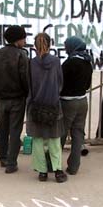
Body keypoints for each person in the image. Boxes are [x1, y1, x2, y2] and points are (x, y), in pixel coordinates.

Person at [0, 25, 29, 173]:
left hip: (1, 99)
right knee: (15, 131)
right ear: (18, 39)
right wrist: (26, 93)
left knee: (2, 129)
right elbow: (25, 78)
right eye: (24, 38)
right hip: (17, 98)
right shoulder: (21, 55)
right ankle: (11, 163)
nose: (25, 41)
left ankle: (3, 158)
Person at [27, 32, 66, 183]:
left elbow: (29, 84)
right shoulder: (56, 61)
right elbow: (60, 83)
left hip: (36, 105)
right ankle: (57, 170)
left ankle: (42, 172)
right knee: (54, 139)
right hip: (53, 105)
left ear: (35, 46)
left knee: (38, 139)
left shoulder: (31, 63)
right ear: (50, 45)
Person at [59, 36, 93, 175]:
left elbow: (60, 83)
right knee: (78, 134)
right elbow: (87, 85)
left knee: (61, 133)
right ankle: (74, 166)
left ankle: (53, 163)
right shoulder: (87, 62)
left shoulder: (69, 63)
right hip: (82, 101)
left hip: (68, 102)